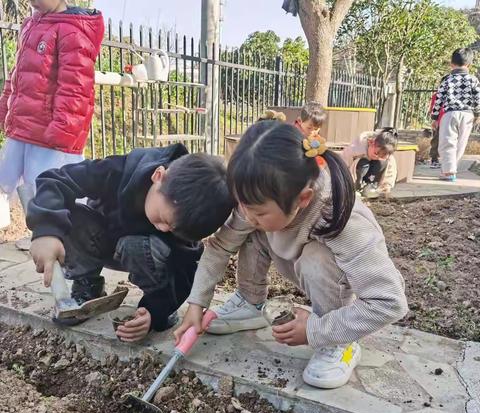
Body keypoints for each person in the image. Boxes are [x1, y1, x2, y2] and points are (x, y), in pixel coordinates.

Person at [174, 122, 408, 389]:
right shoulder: (258, 196)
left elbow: (389, 302)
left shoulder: (342, 218)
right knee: (249, 230)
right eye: (241, 204)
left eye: (258, 211)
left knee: (316, 257)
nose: (246, 214)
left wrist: (314, 330)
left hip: (327, 273)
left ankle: (339, 341)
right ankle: (250, 302)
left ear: (304, 198)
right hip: (288, 250)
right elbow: (220, 247)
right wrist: (196, 305)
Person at [27, 144, 236, 343]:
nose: (164, 229)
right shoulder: (118, 171)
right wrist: (46, 231)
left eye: (173, 229)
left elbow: (185, 275)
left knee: (137, 246)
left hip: (146, 253)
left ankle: (154, 300)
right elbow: (55, 180)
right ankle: (88, 285)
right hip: (102, 240)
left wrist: (155, 313)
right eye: (164, 219)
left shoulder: (187, 220)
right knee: (70, 218)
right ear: (158, 176)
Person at [0, 0, 104, 247]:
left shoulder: (72, 29)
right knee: (12, 179)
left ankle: (66, 240)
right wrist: (5, 105)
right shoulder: (31, 24)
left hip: (51, 132)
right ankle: (40, 234)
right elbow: (18, 73)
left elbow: (75, 84)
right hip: (25, 126)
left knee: (49, 187)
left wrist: (63, 129)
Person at [431, 48, 480, 182]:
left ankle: (448, 171)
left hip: (450, 113)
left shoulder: (447, 79)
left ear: (451, 64)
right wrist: (477, 114)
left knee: (447, 143)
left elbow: (439, 99)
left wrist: (435, 118)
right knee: (460, 143)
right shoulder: (473, 80)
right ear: (469, 65)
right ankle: (451, 170)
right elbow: (478, 99)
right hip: (467, 114)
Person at [341, 128, 398, 198]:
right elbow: (343, 164)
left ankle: (371, 188)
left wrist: (387, 185)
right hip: (355, 174)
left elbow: (391, 171)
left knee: (381, 163)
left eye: (381, 156)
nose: (377, 157)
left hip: (372, 176)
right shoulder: (356, 149)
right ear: (370, 142)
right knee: (363, 163)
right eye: (376, 153)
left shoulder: (388, 156)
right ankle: (356, 189)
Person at [428, 90, 446, 169]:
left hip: (450, 119)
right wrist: (434, 120)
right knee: (436, 140)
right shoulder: (437, 94)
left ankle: (447, 161)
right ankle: (434, 159)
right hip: (439, 120)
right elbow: (433, 107)